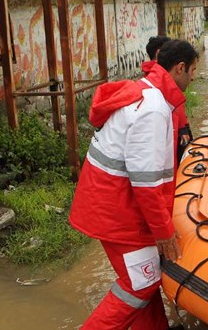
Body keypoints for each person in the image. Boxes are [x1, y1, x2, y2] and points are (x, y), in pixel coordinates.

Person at [69, 39, 200, 330]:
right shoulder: (153, 110)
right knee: (140, 283)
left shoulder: (148, 94)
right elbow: (147, 183)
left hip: (112, 203)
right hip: (115, 210)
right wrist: (164, 232)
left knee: (146, 278)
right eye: (192, 70)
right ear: (180, 68)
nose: (194, 77)